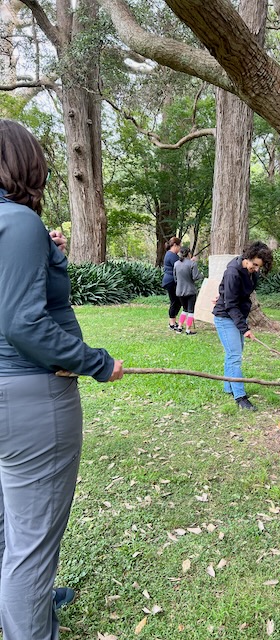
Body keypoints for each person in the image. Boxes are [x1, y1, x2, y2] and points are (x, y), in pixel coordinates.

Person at [0, 119, 124, 640]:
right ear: (26, 163)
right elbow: (22, 322)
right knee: (30, 541)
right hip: (30, 399)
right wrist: (96, 361)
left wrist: (46, 253)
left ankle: (26, 608)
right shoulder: (18, 223)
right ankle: (29, 618)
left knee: (9, 524)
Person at [212, 241, 273, 411]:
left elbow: (231, 291)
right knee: (235, 356)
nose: (256, 269)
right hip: (225, 317)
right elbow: (230, 304)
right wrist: (244, 328)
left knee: (232, 354)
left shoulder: (250, 271)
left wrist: (222, 294)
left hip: (237, 315)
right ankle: (240, 397)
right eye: (254, 265)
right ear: (247, 257)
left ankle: (228, 387)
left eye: (259, 266)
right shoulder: (234, 272)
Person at [173, 246, 203, 335]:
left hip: (179, 291)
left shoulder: (176, 264)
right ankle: (188, 329)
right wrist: (201, 275)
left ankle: (179, 327)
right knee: (191, 311)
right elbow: (195, 277)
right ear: (188, 253)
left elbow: (175, 278)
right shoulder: (192, 264)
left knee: (184, 309)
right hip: (190, 291)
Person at [162, 236, 182, 330]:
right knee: (175, 301)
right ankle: (172, 323)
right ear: (174, 245)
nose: (180, 249)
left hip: (170, 280)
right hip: (171, 281)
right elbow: (180, 267)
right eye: (179, 246)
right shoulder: (172, 255)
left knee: (177, 302)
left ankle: (173, 321)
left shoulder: (169, 254)